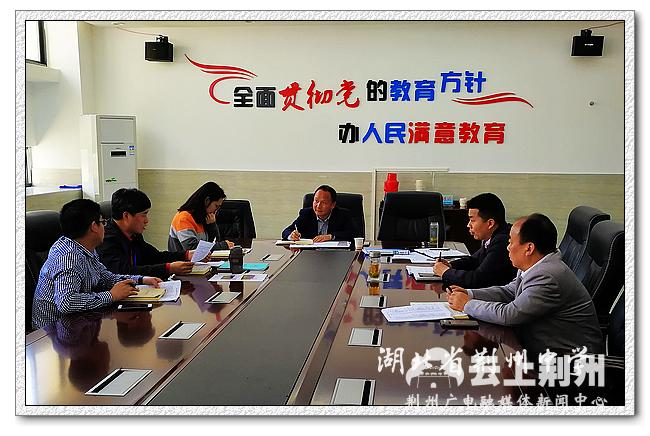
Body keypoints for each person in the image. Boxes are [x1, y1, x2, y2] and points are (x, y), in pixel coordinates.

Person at [447, 213, 603, 356]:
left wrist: (467, 304)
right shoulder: (537, 264)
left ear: (529, 248)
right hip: (544, 347)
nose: (508, 247)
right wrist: (471, 294)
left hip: (570, 361)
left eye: (511, 242)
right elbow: (509, 291)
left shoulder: (547, 276)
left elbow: (510, 314)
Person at [32, 199, 161, 330]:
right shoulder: (68, 258)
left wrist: (140, 280)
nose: (105, 227)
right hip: (53, 332)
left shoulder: (84, 247)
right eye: (103, 222)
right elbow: (66, 302)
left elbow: (105, 276)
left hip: (80, 322)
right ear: (94, 226)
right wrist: (111, 295)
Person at [97, 188, 196, 278]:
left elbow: (154, 256)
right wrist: (168, 268)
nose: (147, 220)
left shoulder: (133, 234)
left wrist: (186, 255)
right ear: (126, 216)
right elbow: (123, 271)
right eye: (144, 214)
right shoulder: (106, 239)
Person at [434, 193, 516, 288]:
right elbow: (474, 260)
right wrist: (450, 265)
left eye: (472, 220)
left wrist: (445, 272)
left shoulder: (502, 241)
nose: (468, 225)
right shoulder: (493, 236)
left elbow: (477, 279)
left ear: (490, 223)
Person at [168, 181, 234, 252]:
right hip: (183, 259)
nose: (216, 211)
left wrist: (212, 225)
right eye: (216, 206)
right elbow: (192, 248)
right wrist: (223, 245)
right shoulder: (184, 218)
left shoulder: (202, 217)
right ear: (207, 201)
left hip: (201, 258)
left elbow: (214, 241)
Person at [281, 185, 359, 243]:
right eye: (316, 201)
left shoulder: (343, 215)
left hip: (335, 254)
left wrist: (331, 236)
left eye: (323, 202)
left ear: (333, 205)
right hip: (310, 255)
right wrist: (291, 235)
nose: (318, 206)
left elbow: (354, 234)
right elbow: (286, 231)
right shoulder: (306, 214)